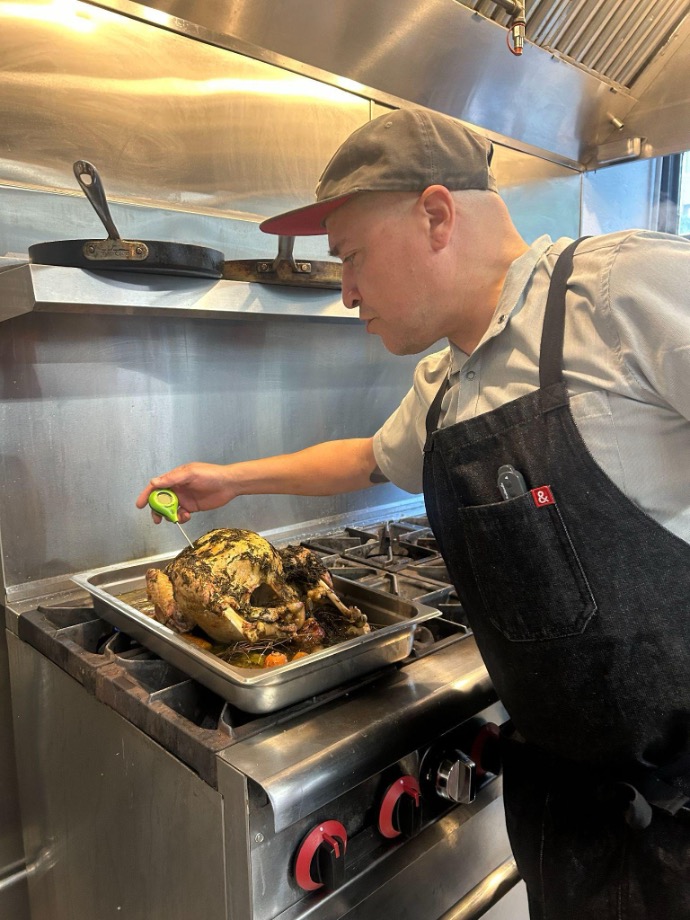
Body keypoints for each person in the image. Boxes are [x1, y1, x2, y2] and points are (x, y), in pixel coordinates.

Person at [137, 106, 690, 919]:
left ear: (435, 214)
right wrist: (229, 477)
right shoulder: (445, 386)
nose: (348, 288)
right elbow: (365, 458)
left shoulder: (624, 292)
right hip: (568, 809)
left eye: (352, 257)